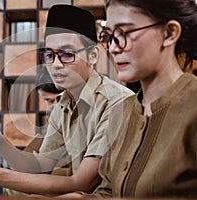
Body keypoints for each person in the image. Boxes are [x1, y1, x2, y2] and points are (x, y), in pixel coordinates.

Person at [0, 4, 133, 196]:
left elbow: (82, 183)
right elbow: (41, 166)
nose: (56, 65)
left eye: (67, 54)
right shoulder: (63, 105)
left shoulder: (116, 102)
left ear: (93, 55)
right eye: (49, 55)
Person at [62, 0, 197, 198]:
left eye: (124, 33)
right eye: (109, 36)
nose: (113, 49)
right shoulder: (120, 111)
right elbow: (108, 192)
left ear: (169, 34)